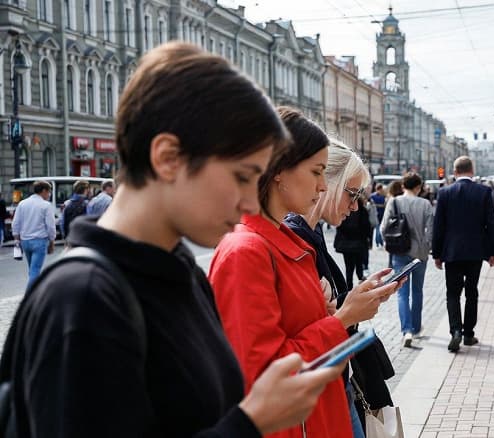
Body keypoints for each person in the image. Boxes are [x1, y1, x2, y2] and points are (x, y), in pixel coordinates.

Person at [0, 42, 345, 438]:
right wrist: (250, 424)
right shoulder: (84, 299)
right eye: (242, 176)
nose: (251, 200)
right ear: (168, 157)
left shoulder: (179, 270)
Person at [209, 107, 398, 438]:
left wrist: (334, 313)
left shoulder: (286, 244)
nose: (324, 186)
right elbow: (263, 377)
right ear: (279, 168)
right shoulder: (246, 252)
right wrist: (340, 320)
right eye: (316, 172)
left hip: (320, 418)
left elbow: (305, 341)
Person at [284, 140, 397, 436]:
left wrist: (361, 298)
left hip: (336, 378)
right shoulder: (291, 238)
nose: (356, 205)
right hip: (319, 388)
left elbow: (329, 310)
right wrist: (346, 312)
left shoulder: (311, 233)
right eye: (352, 193)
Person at [432, 156, 494, 352]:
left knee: (452, 293)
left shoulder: (445, 192)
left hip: (451, 252)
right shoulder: (483, 192)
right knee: (472, 292)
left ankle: (455, 330)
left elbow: (438, 226)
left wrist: (436, 254)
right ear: (472, 171)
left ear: (454, 172)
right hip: (475, 252)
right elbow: (491, 224)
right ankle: (468, 334)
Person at [380, 172, 433, 347]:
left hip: (400, 252)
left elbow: (383, 227)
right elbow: (430, 231)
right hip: (420, 254)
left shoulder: (394, 202)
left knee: (402, 293)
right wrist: (426, 247)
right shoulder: (425, 203)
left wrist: (390, 243)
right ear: (418, 187)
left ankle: (407, 330)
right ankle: (416, 328)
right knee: (417, 292)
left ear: (403, 186)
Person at [10, 180, 56, 289]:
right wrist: (52, 241)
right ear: (44, 191)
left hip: (25, 241)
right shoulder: (46, 205)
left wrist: (16, 238)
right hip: (39, 241)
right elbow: (50, 226)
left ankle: (34, 291)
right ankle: (30, 297)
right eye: (49, 192)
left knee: (32, 269)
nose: (49, 195)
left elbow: (16, 223)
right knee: (35, 270)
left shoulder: (22, 203)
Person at [334, 196, 372, 290]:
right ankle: (361, 284)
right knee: (359, 264)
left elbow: (339, 226)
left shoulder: (345, 211)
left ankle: (349, 287)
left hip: (346, 244)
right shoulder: (363, 211)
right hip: (359, 243)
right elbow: (367, 227)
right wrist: (368, 239)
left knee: (349, 267)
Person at [370, 184, 386, 248]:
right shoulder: (383, 196)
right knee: (378, 229)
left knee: (378, 229)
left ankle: (378, 242)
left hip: (376, 214)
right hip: (379, 214)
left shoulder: (372, 196)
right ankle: (379, 242)